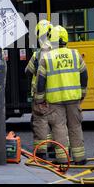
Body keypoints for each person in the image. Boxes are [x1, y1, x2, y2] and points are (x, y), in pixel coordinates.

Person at [35, 25, 88, 165]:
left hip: (55, 101)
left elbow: (40, 81)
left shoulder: (47, 57)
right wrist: (82, 93)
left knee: (59, 127)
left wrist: (40, 99)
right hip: (73, 98)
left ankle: (63, 158)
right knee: (75, 126)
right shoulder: (75, 54)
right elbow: (84, 75)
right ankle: (80, 158)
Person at [25, 20, 53, 159]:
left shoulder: (38, 54)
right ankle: (56, 148)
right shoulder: (58, 49)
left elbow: (28, 71)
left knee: (40, 121)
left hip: (40, 92)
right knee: (57, 121)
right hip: (56, 92)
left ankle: (42, 152)